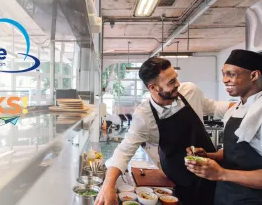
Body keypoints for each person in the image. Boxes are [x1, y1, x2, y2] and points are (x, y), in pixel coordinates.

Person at [95, 57, 232, 205]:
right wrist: (107, 186)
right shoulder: (144, 116)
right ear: (153, 88)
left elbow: (212, 107)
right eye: (171, 82)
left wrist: (246, 105)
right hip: (179, 182)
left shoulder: (190, 91)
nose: (177, 84)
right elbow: (124, 150)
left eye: (175, 78)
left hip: (212, 172)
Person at [185, 49, 262, 204]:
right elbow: (234, 152)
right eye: (223, 74)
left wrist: (221, 174)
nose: (225, 80)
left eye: (231, 74)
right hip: (226, 195)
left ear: (254, 75)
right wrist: (209, 156)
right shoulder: (236, 108)